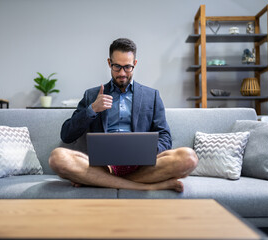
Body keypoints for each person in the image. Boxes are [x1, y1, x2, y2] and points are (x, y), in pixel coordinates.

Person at [49, 38, 198, 192]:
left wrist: (146, 152)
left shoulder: (151, 96)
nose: (122, 73)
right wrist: (92, 109)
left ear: (135, 64)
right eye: (117, 67)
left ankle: (98, 181)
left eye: (127, 67)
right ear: (109, 63)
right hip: (102, 166)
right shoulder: (92, 95)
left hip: (141, 167)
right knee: (57, 158)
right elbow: (66, 135)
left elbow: (165, 137)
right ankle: (149, 186)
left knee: (188, 158)